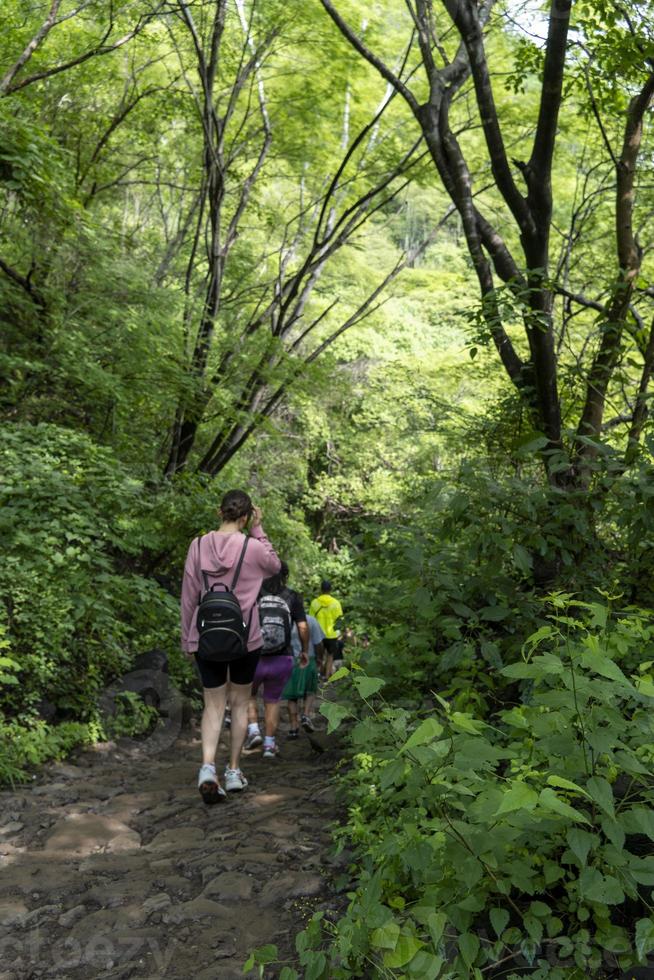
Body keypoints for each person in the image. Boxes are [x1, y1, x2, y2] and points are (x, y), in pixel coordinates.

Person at [181, 489, 281, 804]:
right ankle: (234, 771)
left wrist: (188, 637)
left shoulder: (197, 545)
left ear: (218, 511)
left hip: (206, 635)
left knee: (213, 705)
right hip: (246, 638)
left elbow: (188, 595)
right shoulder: (253, 548)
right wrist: (258, 530)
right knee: (240, 703)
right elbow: (276, 566)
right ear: (246, 516)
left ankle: (207, 768)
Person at [246, 563, 309, 758]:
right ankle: (269, 745)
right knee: (272, 702)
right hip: (282, 657)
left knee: (249, 695)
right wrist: (305, 651)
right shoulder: (293, 597)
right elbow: (303, 627)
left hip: (253, 656)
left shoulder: (253, 593)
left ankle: (254, 729)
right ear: (285, 576)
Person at [284, 613, 324, 738]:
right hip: (309, 658)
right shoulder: (311, 620)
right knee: (310, 691)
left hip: (291, 660)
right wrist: (319, 659)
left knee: (292, 696)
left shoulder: (286, 620)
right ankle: (306, 715)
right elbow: (318, 643)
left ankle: (293, 728)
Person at [309, 580, 343, 679]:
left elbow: (311, 619)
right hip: (332, 634)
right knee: (330, 655)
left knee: (318, 656)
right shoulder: (336, 603)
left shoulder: (315, 602)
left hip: (318, 634)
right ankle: (327, 677)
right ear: (330, 589)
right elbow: (339, 620)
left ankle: (316, 675)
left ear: (321, 589)